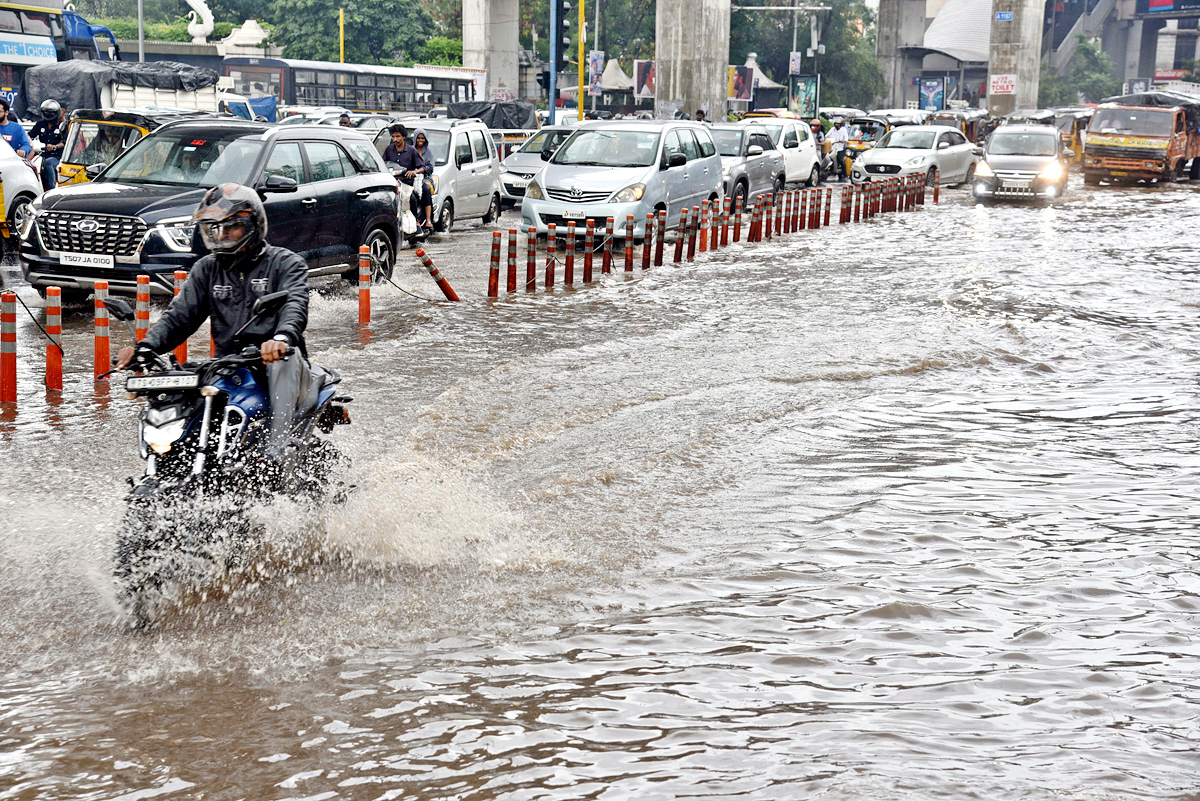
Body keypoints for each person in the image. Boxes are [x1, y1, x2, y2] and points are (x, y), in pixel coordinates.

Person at [116, 184, 310, 464]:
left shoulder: (285, 263)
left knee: (282, 364)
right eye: (213, 229)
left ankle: (276, 453)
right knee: (178, 385)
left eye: (231, 227)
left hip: (278, 361)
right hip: (228, 364)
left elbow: (295, 305)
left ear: (253, 224)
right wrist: (144, 348)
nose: (221, 236)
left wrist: (281, 338)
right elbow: (179, 316)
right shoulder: (206, 269)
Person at [382, 123, 425, 218]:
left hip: (407, 186)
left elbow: (422, 167)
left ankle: (416, 223)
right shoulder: (389, 149)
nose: (395, 139)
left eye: (398, 136)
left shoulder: (412, 151)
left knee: (412, 199)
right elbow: (383, 164)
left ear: (404, 137)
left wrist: (414, 172)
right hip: (392, 185)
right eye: (393, 137)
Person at [30, 99, 66, 190]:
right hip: (42, 154)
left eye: (51, 112)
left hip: (57, 157)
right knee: (31, 165)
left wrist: (55, 146)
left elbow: (66, 142)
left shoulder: (62, 125)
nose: (48, 114)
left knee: (48, 163)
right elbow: (29, 136)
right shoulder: (40, 124)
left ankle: (51, 189)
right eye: (46, 112)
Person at [411, 128, 436, 231]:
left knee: (426, 188)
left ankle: (428, 219)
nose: (420, 140)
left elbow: (430, 168)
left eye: (422, 138)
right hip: (412, 177)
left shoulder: (428, 152)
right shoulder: (411, 150)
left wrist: (420, 171)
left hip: (425, 178)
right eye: (418, 138)